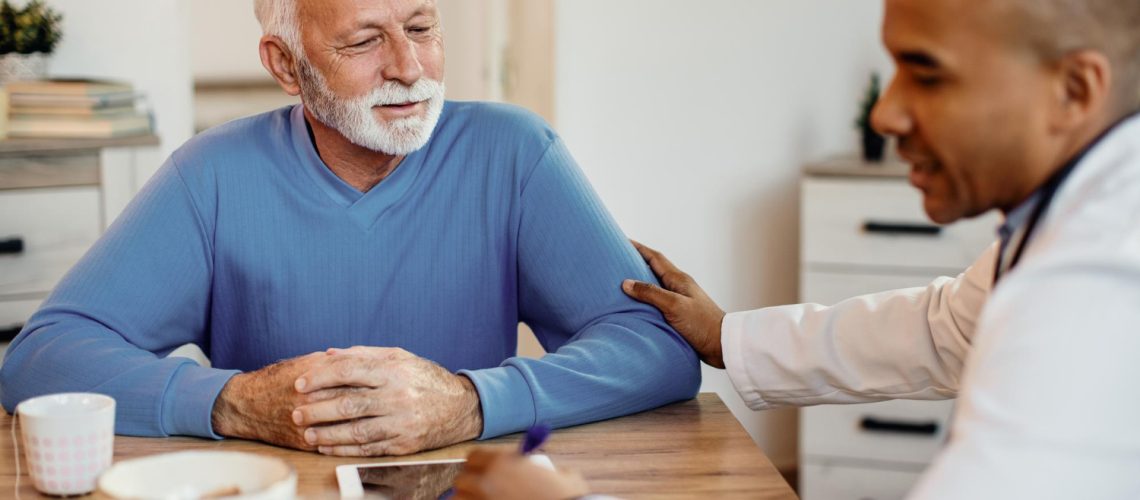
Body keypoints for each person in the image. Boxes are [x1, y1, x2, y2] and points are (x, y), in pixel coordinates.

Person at [454, 0, 1140, 497]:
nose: (884, 112)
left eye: (926, 74)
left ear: (1074, 91)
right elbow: (945, 327)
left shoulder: (1102, 284)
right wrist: (728, 337)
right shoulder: (1067, 219)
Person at [0, 0, 701, 457]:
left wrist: (467, 403)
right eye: (364, 41)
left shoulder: (515, 153)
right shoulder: (212, 174)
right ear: (286, 66)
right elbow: (41, 359)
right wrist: (236, 404)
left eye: (422, 27)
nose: (409, 67)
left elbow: (658, 349)